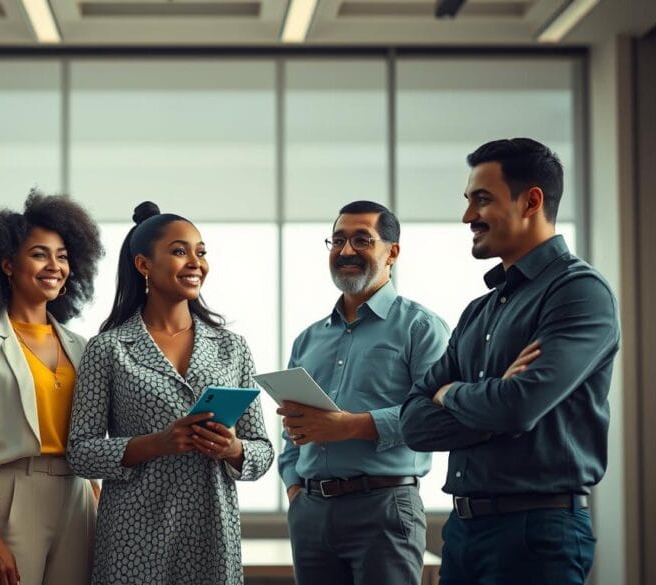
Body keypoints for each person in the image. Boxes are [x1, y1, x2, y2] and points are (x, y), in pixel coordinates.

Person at [400, 138, 620, 584]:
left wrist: (450, 393)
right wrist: (494, 400)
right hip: (462, 532)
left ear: (531, 200)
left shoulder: (579, 292)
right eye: (468, 201)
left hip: (535, 533)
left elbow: (518, 405)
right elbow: (413, 424)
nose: (467, 217)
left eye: (481, 200)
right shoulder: (479, 310)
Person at [66, 202, 275, 585]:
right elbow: (81, 452)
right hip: (133, 536)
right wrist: (158, 443)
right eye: (180, 251)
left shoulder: (233, 348)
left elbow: (262, 450)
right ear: (143, 265)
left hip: (212, 534)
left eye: (201, 252)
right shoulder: (108, 348)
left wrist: (233, 449)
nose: (196, 262)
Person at [276, 200, 449, 585]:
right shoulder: (309, 338)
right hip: (311, 513)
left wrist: (350, 426)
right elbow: (290, 426)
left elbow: (436, 418)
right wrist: (294, 488)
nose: (346, 251)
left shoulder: (422, 328)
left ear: (393, 253)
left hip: (384, 508)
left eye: (361, 240)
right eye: (337, 241)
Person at [0, 192, 105, 585]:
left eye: (62, 256)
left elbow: (89, 435)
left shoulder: (80, 346)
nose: (54, 266)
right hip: (5, 500)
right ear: (7, 265)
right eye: (39, 254)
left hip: (77, 498)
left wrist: (97, 506)